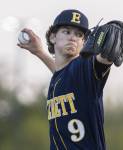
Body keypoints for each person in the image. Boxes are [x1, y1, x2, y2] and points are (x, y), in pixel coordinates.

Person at [17, 9, 113, 150]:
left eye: (79, 35)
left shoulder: (84, 67)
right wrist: (39, 52)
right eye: (67, 32)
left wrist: (107, 54)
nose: (73, 38)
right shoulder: (61, 77)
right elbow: (61, 73)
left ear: (84, 42)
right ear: (53, 37)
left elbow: (101, 62)